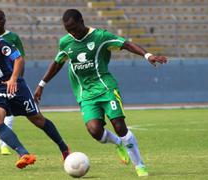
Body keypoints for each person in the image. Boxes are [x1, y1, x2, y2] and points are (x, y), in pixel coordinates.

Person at [34, 9, 167, 177]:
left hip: (106, 88)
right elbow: (58, 62)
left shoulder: (100, 36)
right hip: (85, 94)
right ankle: (118, 143)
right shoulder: (66, 42)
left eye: (74, 28)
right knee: (95, 131)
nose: (72, 32)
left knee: (119, 125)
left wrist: (147, 55)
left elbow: (126, 44)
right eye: (68, 30)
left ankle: (139, 165)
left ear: (82, 21)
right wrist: (41, 84)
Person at [0, 13, 70, 169]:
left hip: (15, 87)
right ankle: (23, 154)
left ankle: (64, 148)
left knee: (37, 119)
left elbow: (18, 58)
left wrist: (13, 79)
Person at [0, 9, 26, 155]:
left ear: (5, 19)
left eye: (0, 18)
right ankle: (2, 144)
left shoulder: (13, 37)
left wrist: (18, 79)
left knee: (9, 114)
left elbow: (20, 59)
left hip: (11, 79)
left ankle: (4, 144)